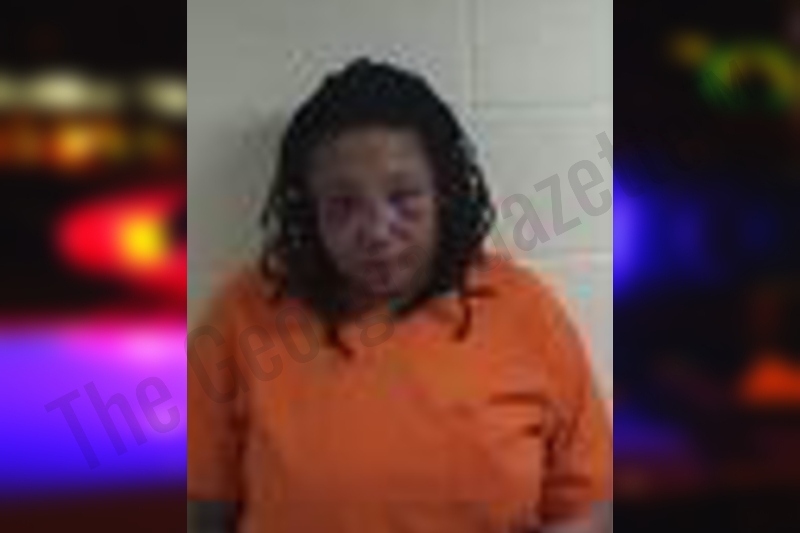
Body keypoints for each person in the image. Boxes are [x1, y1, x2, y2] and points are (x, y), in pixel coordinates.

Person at [187, 58, 611, 533]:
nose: (376, 230)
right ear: (309, 209)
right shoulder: (244, 316)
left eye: (404, 196)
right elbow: (202, 512)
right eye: (343, 203)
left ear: (443, 193)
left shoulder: (522, 307)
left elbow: (589, 505)